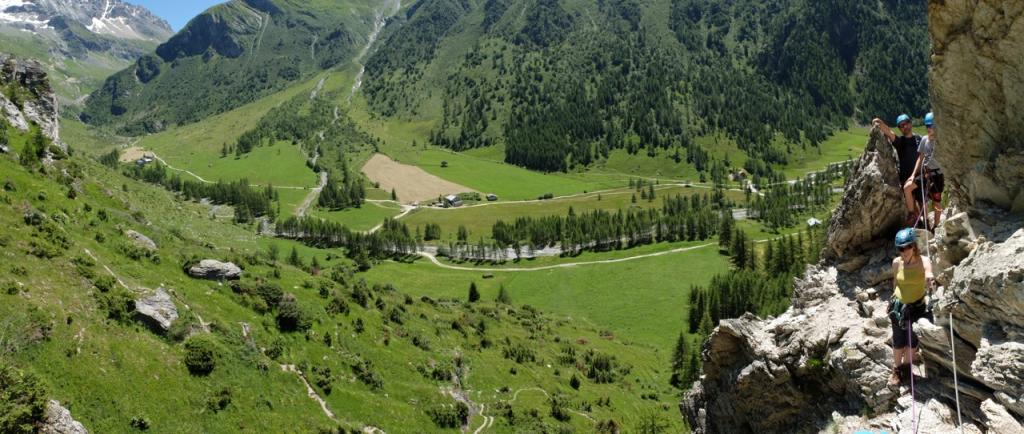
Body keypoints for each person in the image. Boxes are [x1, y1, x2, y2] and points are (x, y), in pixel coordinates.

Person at [888, 228, 934, 386]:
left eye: (907, 247)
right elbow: (895, 282)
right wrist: (893, 299)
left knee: (912, 341)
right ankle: (896, 369)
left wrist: (929, 279)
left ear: (914, 245)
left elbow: (928, 272)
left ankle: (906, 370)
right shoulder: (896, 263)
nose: (904, 251)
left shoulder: (923, 261)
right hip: (899, 307)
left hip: (917, 307)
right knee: (898, 340)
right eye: (900, 248)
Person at [873, 115, 923, 225]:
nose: (905, 127)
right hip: (906, 178)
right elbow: (889, 132)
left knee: (921, 204)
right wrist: (879, 122)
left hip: (920, 176)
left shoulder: (919, 139)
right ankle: (920, 223)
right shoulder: (900, 142)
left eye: (906, 123)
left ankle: (925, 224)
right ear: (900, 129)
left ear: (910, 123)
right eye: (901, 126)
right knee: (913, 205)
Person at [908, 112, 943, 229]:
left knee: (936, 202)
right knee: (911, 189)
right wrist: (913, 175)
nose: (929, 128)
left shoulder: (941, 142)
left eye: (931, 126)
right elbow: (920, 157)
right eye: (927, 126)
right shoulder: (924, 140)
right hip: (926, 174)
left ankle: (936, 226)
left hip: (937, 175)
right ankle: (921, 220)